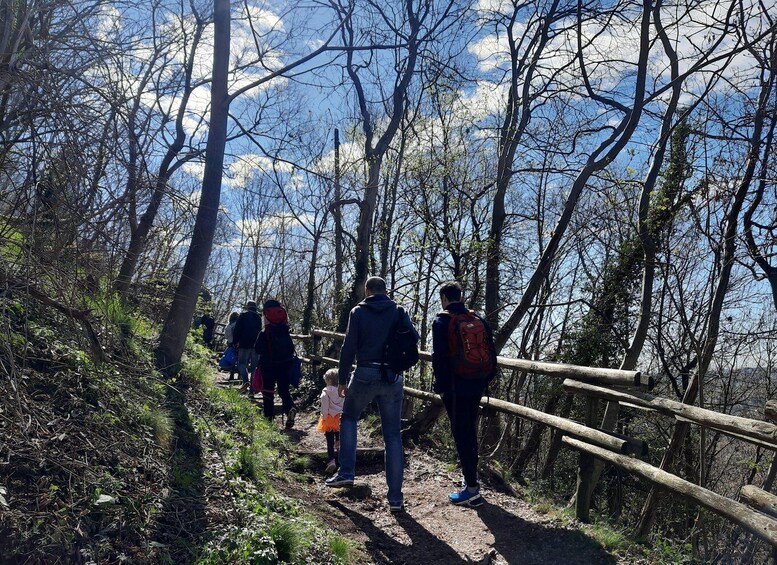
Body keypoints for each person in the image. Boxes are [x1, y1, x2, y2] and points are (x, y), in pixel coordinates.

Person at [325, 276, 419, 514]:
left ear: (367, 291)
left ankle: (346, 472)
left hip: (365, 371)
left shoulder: (358, 311)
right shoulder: (398, 310)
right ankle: (396, 499)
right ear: (385, 291)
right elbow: (414, 337)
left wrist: (343, 380)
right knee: (392, 436)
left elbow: (349, 347)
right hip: (392, 376)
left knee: (348, 418)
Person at [432, 281, 497, 508]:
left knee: (462, 434)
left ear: (444, 298)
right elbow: (492, 351)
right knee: (470, 429)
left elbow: (439, 357)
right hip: (477, 382)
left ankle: (471, 490)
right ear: (460, 296)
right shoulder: (478, 319)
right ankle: (471, 479)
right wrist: (484, 379)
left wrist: (440, 387)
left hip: (455, 386)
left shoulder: (442, 321)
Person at [255, 299, 297, 427]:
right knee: (284, 390)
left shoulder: (265, 331)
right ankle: (289, 408)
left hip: (268, 365)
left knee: (268, 390)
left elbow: (257, 349)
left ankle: (269, 419)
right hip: (285, 364)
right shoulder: (285, 329)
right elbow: (291, 349)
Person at [317, 369, 343, 475]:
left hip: (329, 419)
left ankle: (332, 460)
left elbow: (324, 407)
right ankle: (341, 460)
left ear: (329, 380)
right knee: (339, 440)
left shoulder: (326, 393)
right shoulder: (341, 391)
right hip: (339, 418)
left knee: (329, 441)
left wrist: (324, 416)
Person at [232, 301, 261, 392]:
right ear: (255, 307)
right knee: (254, 368)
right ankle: (252, 390)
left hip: (244, 344)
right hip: (256, 346)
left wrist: (235, 341)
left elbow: (237, 329)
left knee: (241, 363)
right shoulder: (259, 318)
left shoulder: (243, 316)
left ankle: (245, 381)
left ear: (248, 307)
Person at [224, 312, 239, 380]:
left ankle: (231, 374)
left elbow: (226, 336)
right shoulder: (238, 324)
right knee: (239, 359)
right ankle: (239, 375)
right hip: (238, 343)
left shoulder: (228, 325)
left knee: (231, 358)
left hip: (230, 343)